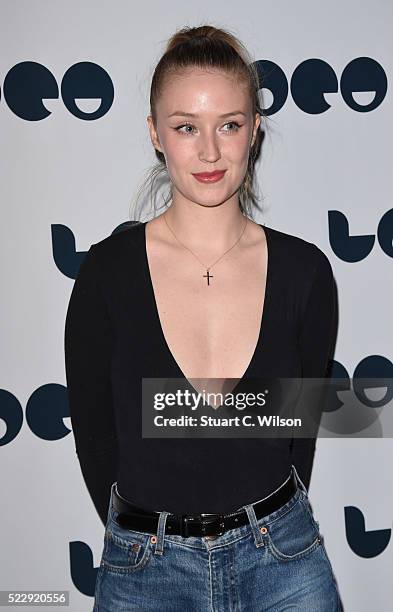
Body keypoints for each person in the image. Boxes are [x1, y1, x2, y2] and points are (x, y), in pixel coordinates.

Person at [64, 24, 343, 611]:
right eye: (187, 127)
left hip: (285, 565)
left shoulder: (305, 272)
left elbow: (300, 434)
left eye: (230, 125)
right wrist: (144, 539)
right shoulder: (108, 274)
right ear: (155, 134)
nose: (210, 152)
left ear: (255, 131)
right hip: (144, 572)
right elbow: (95, 433)